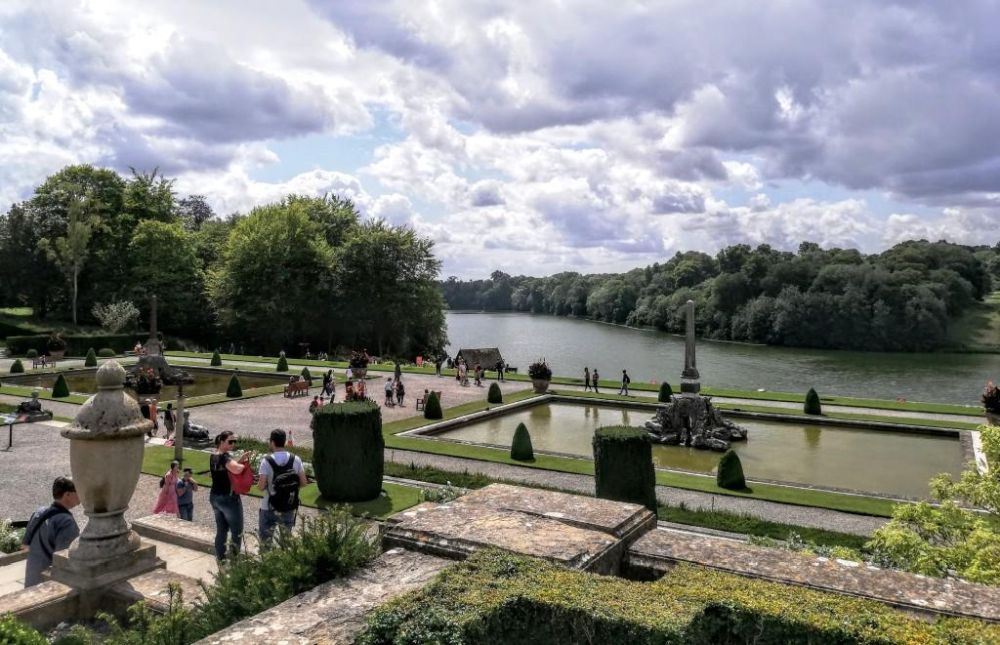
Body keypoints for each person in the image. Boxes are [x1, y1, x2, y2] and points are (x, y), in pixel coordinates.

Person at [21, 477, 80, 587]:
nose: (81, 495)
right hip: (48, 585)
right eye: (78, 491)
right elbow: (65, 560)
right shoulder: (66, 522)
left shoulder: (38, 512)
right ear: (67, 494)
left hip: (31, 580)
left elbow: (25, 545)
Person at [257, 429, 307, 544]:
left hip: (269, 506)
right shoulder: (296, 459)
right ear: (284, 442)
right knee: (285, 544)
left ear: (272, 442)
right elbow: (304, 482)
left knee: (265, 544)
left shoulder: (266, 461)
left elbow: (260, 487)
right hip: (288, 505)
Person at [209, 431, 249, 561]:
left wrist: (238, 460)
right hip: (228, 498)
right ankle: (234, 560)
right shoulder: (225, 457)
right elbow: (236, 469)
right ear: (222, 442)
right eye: (230, 441)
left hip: (215, 496)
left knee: (221, 530)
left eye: (234, 441)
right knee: (237, 532)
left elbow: (227, 469)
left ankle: (220, 558)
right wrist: (244, 464)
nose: (233, 444)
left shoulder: (214, 456)